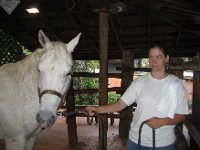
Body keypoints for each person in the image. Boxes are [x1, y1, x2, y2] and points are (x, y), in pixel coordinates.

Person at [85, 44, 189, 150]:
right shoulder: (140, 82)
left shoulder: (176, 84)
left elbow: (182, 115)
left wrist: (163, 121)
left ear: (166, 58)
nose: (154, 61)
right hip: (136, 139)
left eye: (158, 57)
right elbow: (121, 104)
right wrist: (98, 109)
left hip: (163, 142)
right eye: (151, 57)